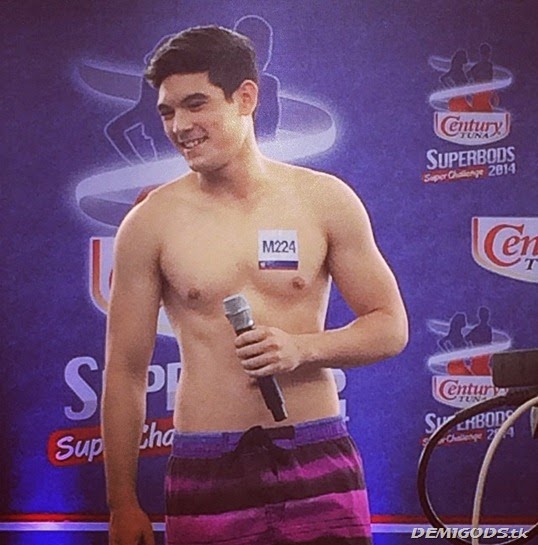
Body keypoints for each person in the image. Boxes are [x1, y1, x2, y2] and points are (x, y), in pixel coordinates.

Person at [101, 25, 408, 545]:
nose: (180, 126)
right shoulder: (151, 222)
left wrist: (302, 349)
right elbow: (126, 372)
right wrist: (122, 502)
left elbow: (390, 326)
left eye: (196, 105)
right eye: (168, 112)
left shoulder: (324, 199)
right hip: (207, 463)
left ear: (245, 97)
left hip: (315, 453)